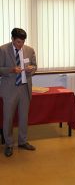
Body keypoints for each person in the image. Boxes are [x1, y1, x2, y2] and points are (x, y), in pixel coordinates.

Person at [0, 28, 37, 157]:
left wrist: (31, 69)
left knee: (23, 117)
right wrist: (11, 69)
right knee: (8, 118)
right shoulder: (3, 50)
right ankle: (9, 144)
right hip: (9, 89)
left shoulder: (30, 50)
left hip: (24, 89)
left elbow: (34, 66)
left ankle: (23, 141)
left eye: (22, 42)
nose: (19, 45)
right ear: (12, 39)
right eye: (17, 42)